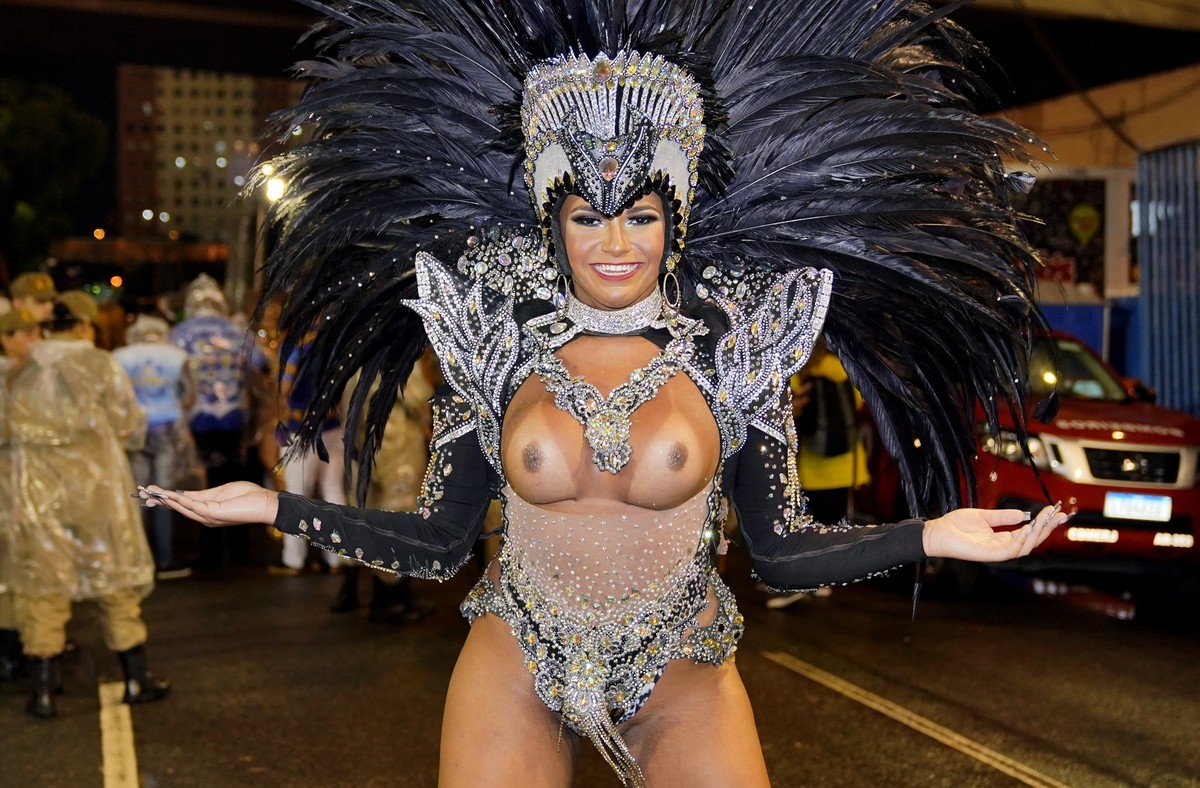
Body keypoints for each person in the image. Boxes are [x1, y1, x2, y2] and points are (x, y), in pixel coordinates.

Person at [143, 2, 1072, 784]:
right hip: (517, 653)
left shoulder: (737, 345)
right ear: (554, 221)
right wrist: (273, 506)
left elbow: (782, 554)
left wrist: (932, 535)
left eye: (641, 215)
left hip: (682, 663)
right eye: (588, 216)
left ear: (677, 219)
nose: (616, 244)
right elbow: (436, 545)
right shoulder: (495, 342)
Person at [9, 301, 169, 718]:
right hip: (97, 490)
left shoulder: (22, 370)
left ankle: (43, 691)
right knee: (114, 577)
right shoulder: (100, 365)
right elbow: (128, 424)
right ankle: (136, 678)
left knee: (43, 584)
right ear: (83, 326)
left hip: (38, 493)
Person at [171, 274, 251, 569]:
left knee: (206, 485)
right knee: (237, 479)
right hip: (234, 415)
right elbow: (262, 364)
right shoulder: (238, 332)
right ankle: (239, 547)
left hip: (199, 417)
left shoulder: (180, 333)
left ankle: (211, 551)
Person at [115, 314, 203, 579]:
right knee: (163, 493)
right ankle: (165, 559)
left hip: (136, 429)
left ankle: (138, 559)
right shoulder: (176, 356)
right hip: (167, 427)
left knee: (137, 493)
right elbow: (190, 395)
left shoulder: (121, 356)